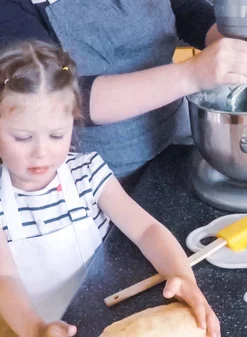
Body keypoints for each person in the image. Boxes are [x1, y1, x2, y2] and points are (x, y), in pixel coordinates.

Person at [0, 41, 221, 337]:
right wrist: (35, 329)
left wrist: (182, 277)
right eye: (23, 137)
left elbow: (146, 230)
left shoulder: (87, 173)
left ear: (73, 122)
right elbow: (5, 277)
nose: (41, 152)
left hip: (105, 321)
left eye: (56, 135)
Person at [0, 0, 247, 191]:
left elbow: (186, 9)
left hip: (179, 143)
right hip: (104, 175)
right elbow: (63, 98)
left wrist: (242, 44)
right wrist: (191, 74)